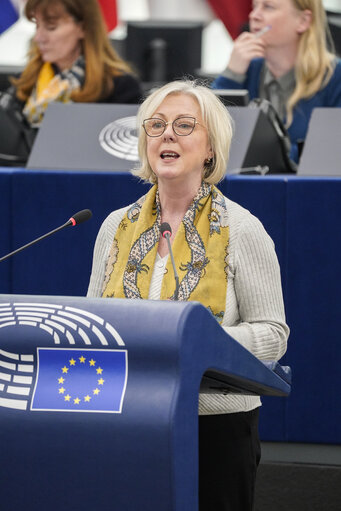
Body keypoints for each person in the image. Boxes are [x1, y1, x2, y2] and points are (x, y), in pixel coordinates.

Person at [87, 79, 289, 510]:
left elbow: (273, 335)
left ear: (211, 147)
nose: (166, 135)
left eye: (183, 125)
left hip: (215, 428)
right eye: (156, 125)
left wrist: (197, 340)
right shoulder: (114, 227)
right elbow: (94, 325)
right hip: (128, 420)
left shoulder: (242, 228)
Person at [211, 0, 341, 163]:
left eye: (268, 7)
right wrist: (231, 75)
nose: (254, 16)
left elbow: (328, 151)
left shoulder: (335, 75)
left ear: (303, 21)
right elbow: (210, 138)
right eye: (254, 6)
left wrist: (263, 157)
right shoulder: (246, 69)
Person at [0, 0, 142, 140]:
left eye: (51, 27)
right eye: (37, 26)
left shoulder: (120, 87)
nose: (38, 38)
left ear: (83, 28)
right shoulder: (24, 82)